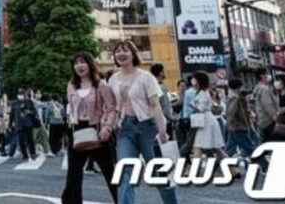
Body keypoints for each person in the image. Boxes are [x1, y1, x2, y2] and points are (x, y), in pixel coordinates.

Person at [109, 40, 178, 204]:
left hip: (148, 127)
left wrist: (162, 131)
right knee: (125, 171)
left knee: (159, 173)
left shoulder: (146, 77)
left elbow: (155, 105)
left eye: (125, 50)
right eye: (118, 51)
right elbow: (114, 106)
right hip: (125, 128)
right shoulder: (113, 79)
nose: (121, 54)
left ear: (133, 54)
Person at [61, 52, 117, 204]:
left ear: (90, 64)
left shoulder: (101, 85)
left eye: (82, 62)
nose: (79, 66)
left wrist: (107, 128)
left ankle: (122, 201)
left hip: (98, 130)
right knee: (73, 175)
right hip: (77, 131)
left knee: (110, 173)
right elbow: (72, 109)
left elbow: (111, 108)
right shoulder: (71, 86)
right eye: (76, 63)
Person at [225, 78, 268, 173]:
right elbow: (231, 112)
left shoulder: (236, 97)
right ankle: (265, 165)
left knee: (230, 148)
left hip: (236, 126)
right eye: (242, 86)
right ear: (239, 87)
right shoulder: (235, 98)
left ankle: (222, 165)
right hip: (238, 126)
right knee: (249, 147)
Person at [190, 72, 229, 164]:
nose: (192, 80)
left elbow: (201, 109)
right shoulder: (201, 92)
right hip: (206, 121)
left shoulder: (203, 93)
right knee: (216, 149)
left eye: (194, 78)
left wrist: (193, 105)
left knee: (198, 147)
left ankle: (194, 172)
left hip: (206, 122)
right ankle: (233, 170)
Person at [11, 88, 38, 162]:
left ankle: (33, 153)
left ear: (25, 94)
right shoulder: (14, 103)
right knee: (21, 141)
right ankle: (25, 155)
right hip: (18, 124)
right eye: (19, 94)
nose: (21, 95)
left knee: (30, 140)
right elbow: (12, 114)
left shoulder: (29, 102)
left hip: (28, 123)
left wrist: (29, 112)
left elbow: (34, 112)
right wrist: (10, 124)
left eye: (22, 94)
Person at [252, 67, 278, 142]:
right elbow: (268, 105)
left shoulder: (257, 88)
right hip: (268, 120)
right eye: (267, 74)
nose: (268, 76)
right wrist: (275, 117)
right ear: (261, 76)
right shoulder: (264, 89)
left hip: (261, 119)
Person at [32, 90, 51, 157]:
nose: (39, 95)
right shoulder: (32, 101)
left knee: (45, 136)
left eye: (40, 93)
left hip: (41, 122)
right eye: (37, 93)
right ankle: (32, 151)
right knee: (33, 138)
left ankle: (47, 151)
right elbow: (38, 105)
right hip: (35, 123)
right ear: (34, 94)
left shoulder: (39, 102)